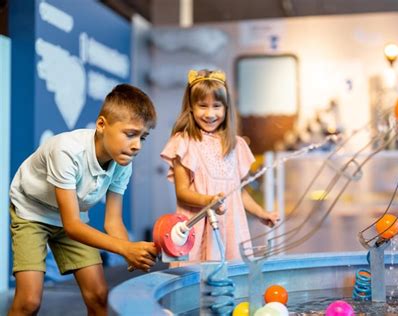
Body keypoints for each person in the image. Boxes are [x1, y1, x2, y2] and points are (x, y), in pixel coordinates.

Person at [8, 84, 158, 316]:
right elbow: (72, 226)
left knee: (98, 295)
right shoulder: (67, 151)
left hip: (72, 216)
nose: (137, 145)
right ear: (101, 125)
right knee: (29, 302)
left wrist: (132, 255)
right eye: (130, 134)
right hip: (32, 212)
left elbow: (113, 222)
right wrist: (126, 248)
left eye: (143, 137)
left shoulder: (122, 162)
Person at [161, 69, 279, 267]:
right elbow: (182, 193)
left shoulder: (235, 144)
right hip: (198, 227)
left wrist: (261, 213)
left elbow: (237, 192)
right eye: (202, 106)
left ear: (226, 109)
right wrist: (209, 201)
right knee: (196, 285)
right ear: (191, 107)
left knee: (231, 282)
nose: (210, 114)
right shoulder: (184, 142)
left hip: (231, 229)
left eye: (216, 106)